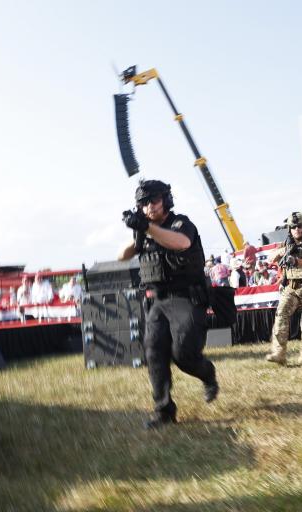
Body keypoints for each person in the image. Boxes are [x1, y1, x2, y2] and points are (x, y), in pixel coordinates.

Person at [118, 179, 218, 430]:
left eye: (153, 200)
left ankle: (207, 375)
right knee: (153, 352)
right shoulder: (145, 229)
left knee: (183, 354)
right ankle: (164, 411)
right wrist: (138, 231)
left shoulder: (181, 223)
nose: (149, 206)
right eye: (143, 203)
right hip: (158, 300)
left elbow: (181, 243)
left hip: (186, 298)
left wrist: (148, 228)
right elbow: (122, 256)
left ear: (166, 200)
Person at [265, 212, 302, 365]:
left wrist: (296, 260)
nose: (298, 229)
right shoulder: (286, 245)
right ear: (290, 229)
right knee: (281, 315)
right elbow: (269, 258)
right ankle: (279, 353)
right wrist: (283, 252)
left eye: (301, 226)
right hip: (291, 288)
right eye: (295, 227)